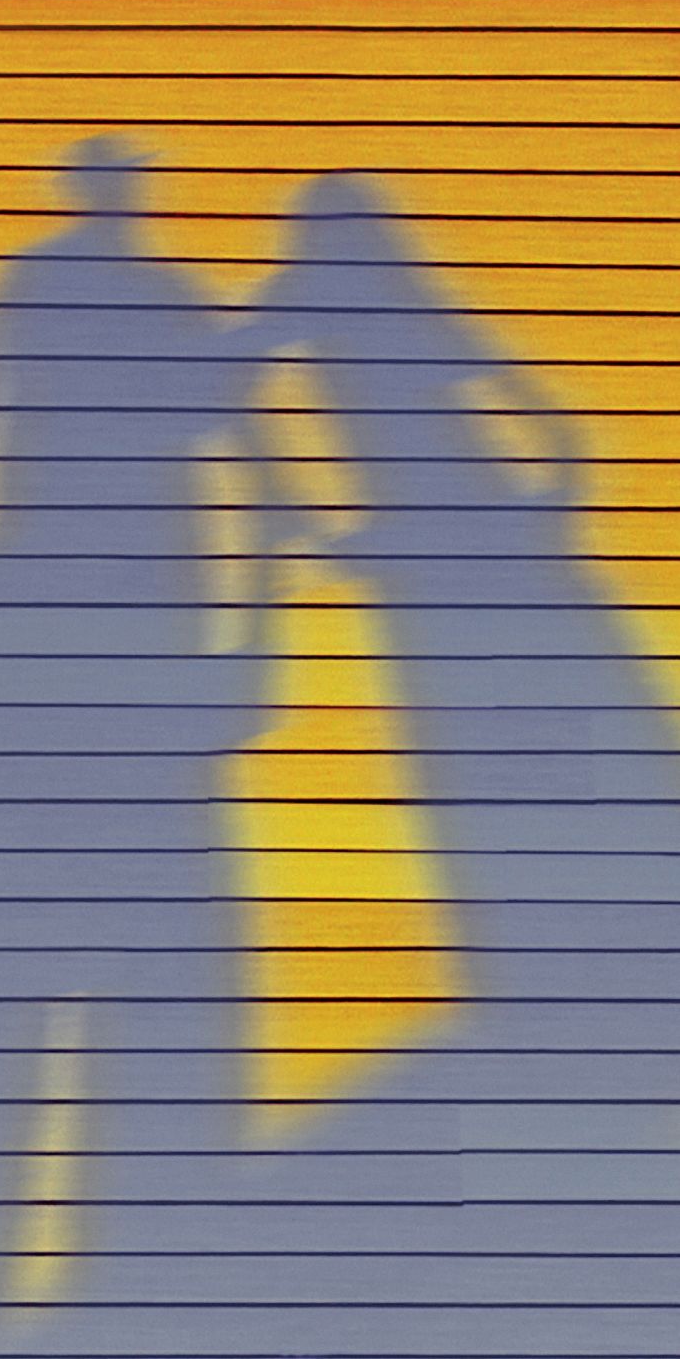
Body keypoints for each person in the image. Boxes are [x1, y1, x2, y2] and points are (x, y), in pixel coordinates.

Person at [222, 171, 680, 1358]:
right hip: (455, 553)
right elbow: (533, 417)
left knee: (508, 743)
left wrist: (312, 525)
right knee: (514, 744)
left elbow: (242, 396)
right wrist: (327, 520)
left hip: (446, 553)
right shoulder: (370, 296)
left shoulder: (344, 299)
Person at [0, 135, 284, 1356]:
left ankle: (127, 1286)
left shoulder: (70, 291)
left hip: (102, 655)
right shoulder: (97, 296)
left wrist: (255, 638)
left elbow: (235, 462)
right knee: (69, 1003)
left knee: (127, 1008)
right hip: (85, 655)